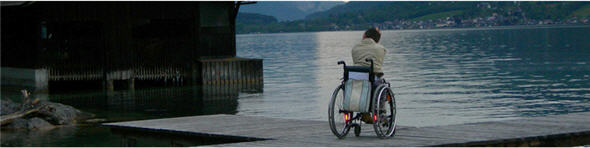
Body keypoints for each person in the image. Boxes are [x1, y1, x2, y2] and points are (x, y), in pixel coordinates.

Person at [351, 27, 387, 124]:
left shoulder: (355, 48)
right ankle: (381, 112)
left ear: (364, 36)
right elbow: (378, 65)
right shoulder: (380, 49)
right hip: (371, 80)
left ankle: (364, 112)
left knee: (364, 85)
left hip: (353, 79)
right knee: (383, 85)